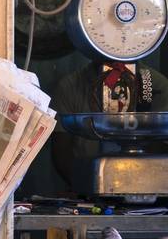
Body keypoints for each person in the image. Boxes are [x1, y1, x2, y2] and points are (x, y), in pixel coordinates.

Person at [51, 60, 168, 190]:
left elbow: (161, 147)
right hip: (86, 192)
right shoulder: (70, 86)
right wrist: (87, 186)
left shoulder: (158, 85)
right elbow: (61, 152)